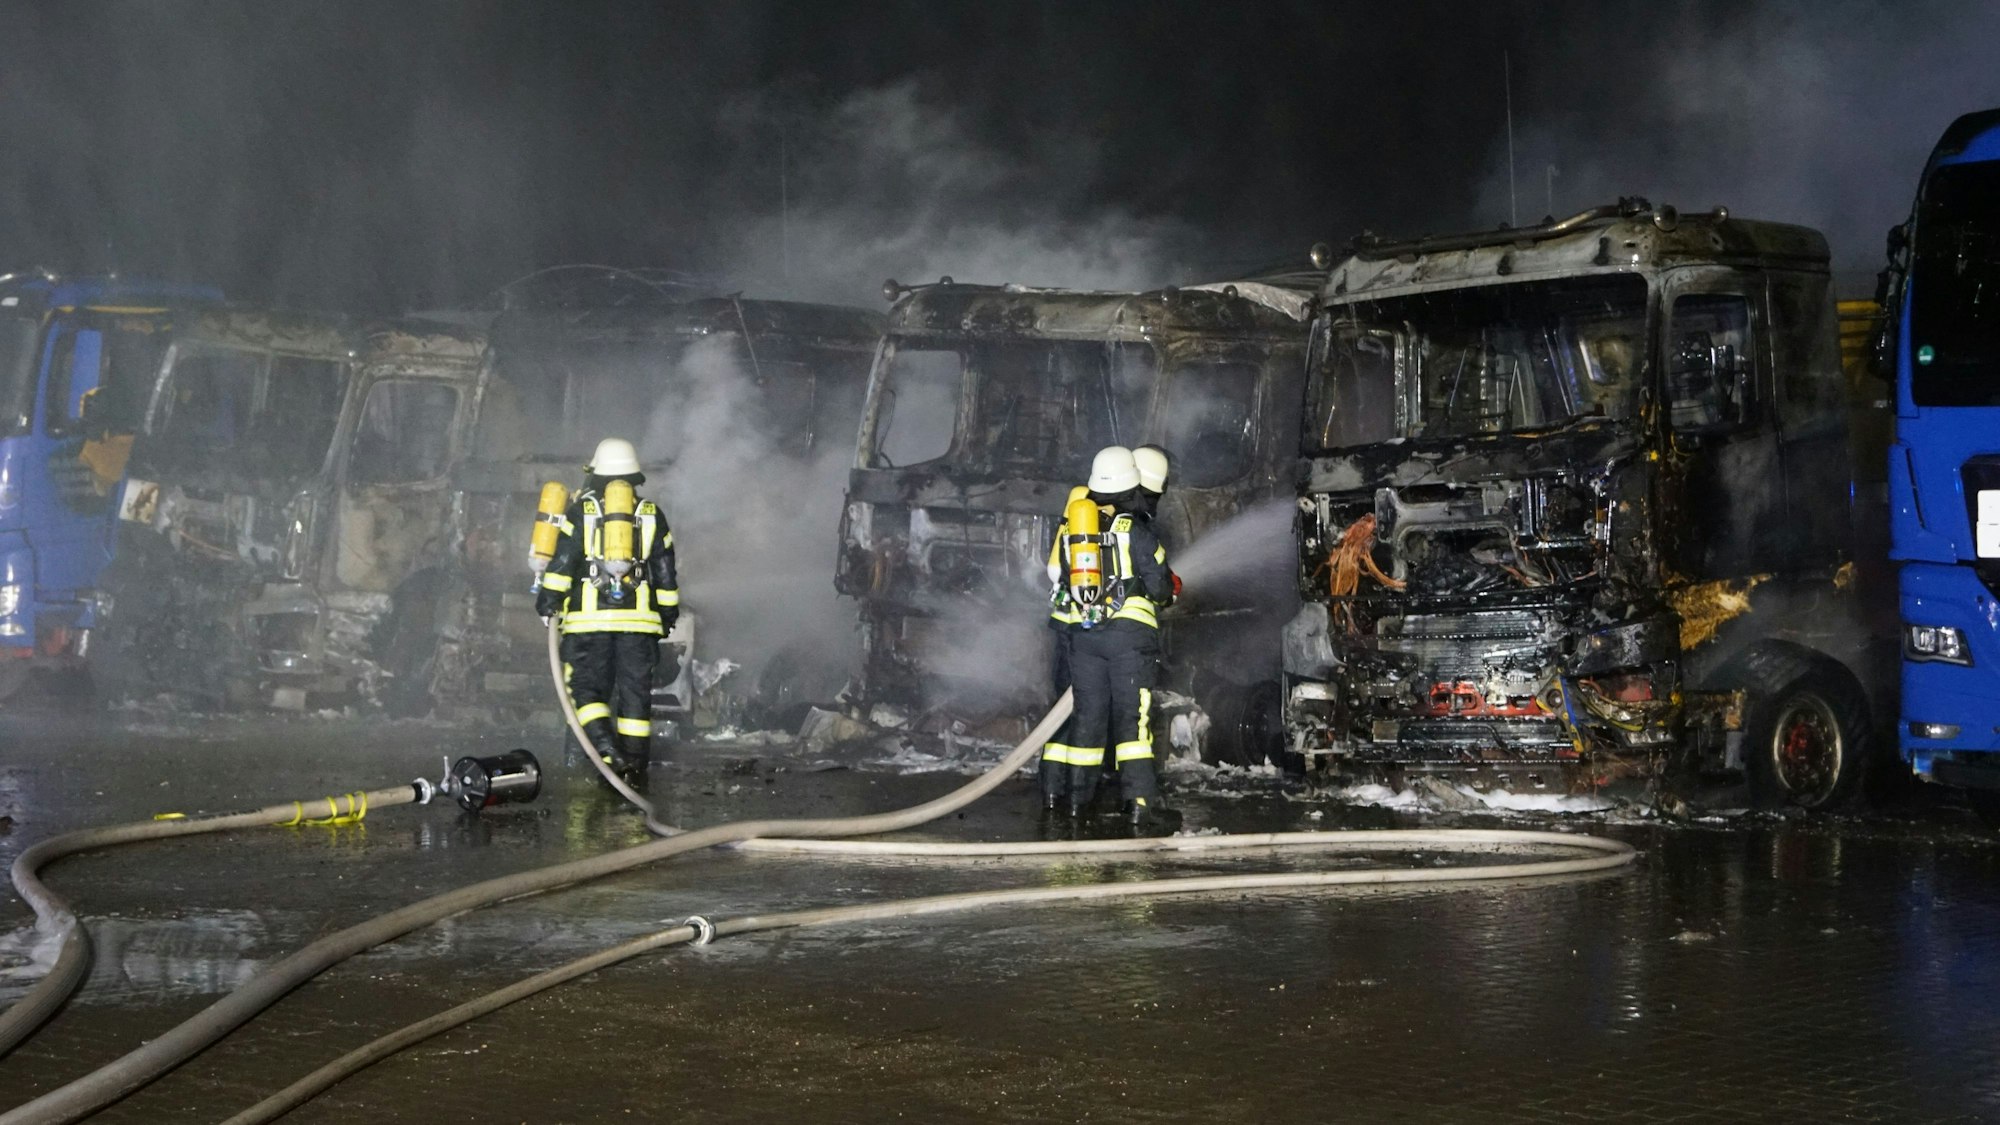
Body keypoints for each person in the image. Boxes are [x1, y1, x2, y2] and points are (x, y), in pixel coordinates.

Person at [1040, 445, 1177, 829]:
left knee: (1088, 719)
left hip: (1084, 638)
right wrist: (1168, 590)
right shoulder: (1137, 532)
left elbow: (1064, 578)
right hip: (1128, 641)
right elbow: (1160, 587)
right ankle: (1140, 806)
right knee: (1132, 725)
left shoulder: (1073, 529)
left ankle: (1077, 805)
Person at [535, 437, 681, 778]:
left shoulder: (580, 512)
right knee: (634, 699)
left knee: (585, 690)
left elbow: (562, 564)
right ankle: (635, 765)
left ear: (595, 475)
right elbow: (665, 573)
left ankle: (606, 753)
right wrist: (667, 616)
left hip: (588, 625)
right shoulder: (651, 514)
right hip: (640, 628)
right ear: (634, 477)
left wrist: (547, 602)